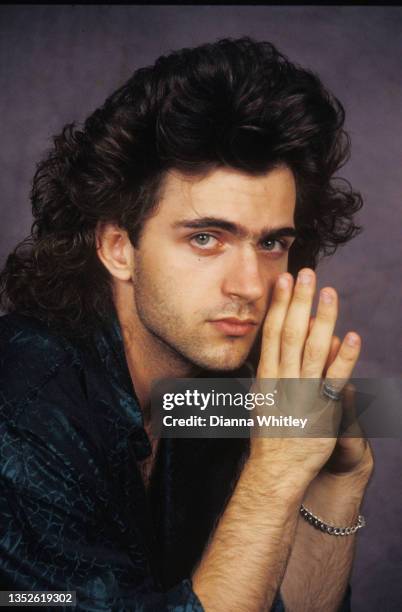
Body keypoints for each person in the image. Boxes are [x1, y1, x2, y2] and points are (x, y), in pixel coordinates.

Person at [0, 37, 373, 611]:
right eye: (205, 238)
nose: (249, 285)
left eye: (272, 242)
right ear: (118, 248)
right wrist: (274, 470)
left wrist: (337, 480)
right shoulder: (20, 414)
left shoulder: (215, 398)